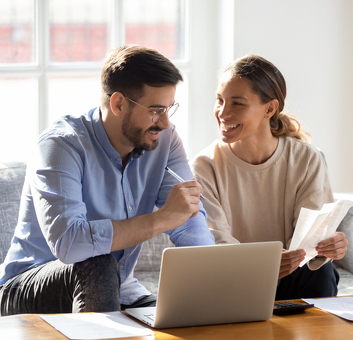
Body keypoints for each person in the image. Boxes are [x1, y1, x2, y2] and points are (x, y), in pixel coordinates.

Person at [0, 45, 214, 316]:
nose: (165, 123)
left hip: (119, 288)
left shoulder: (165, 141)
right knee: (97, 264)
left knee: (184, 320)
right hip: (27, 287)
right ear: (118, 103)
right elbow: (69, 243)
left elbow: (188, 219)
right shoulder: (61, 146)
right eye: (156, 110)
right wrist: (161, 219)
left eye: (169, 109)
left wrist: (214, 278)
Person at [191, 55, 347, 299]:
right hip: (235, 281)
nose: (222, 112)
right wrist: (265, 264)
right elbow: (216, 245)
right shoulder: (204, 167)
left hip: (294, 276)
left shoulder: (306, 159)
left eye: (237, 104)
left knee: (321, 273)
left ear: (270, 108)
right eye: (219, 100)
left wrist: (328, 247)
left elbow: (310, 241)